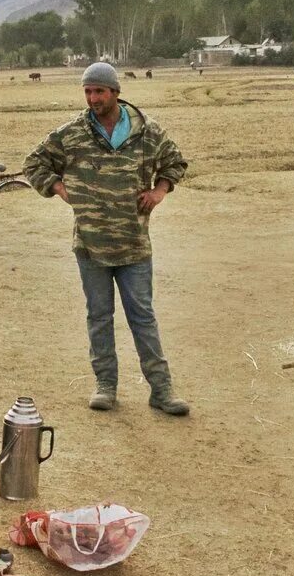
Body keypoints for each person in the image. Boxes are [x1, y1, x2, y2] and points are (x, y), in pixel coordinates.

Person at [23, 61, 191, 416]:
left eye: (99, 91)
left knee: (142, 317)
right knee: (99, 316)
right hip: (90, 244)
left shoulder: (147, 132)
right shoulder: (72, 134)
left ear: (116, 92)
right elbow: (34, 163)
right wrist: (59, 188)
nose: (92, 98)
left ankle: (161, 390)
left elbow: (175, 162)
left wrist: (159, 192)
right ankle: (106, 386)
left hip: (133, 244)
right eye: (87, 91)